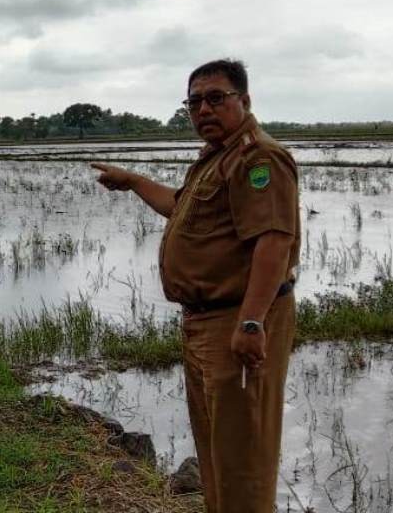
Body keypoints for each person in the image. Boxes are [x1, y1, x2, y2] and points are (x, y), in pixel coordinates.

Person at [91, 59, 300, 513]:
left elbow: (274, 240)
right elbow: (179, 206)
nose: (203, 108)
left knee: (243, 459)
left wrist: (250, 321)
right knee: (215, 452)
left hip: (235, 320)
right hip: (204, 325)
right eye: (194, 101)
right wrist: (133, 182)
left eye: (216, 98)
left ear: (244, 101)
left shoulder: (258, 158)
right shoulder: (215, 158)